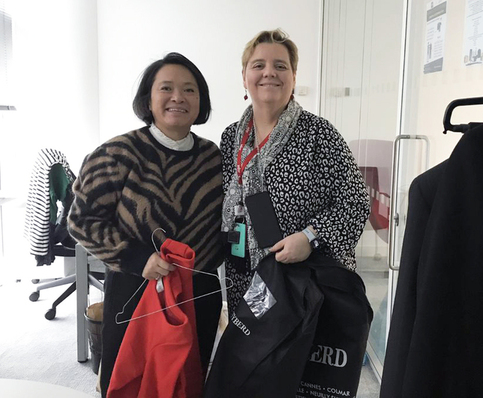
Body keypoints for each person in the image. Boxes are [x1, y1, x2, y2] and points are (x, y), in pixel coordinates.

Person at [68, 52, 223, 397]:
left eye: (189, 90)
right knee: (131, 383)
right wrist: (139, 259)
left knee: (187, 382)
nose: (178, 98)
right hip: (135, 292)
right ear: (148, 99)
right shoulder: (116, 153)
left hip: (199, 293)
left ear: (201, 101)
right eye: (166, 88)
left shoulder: (215, 158)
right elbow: (81, 221)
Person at [221, 29, 370, 313]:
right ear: (244, 77)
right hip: (246, 276)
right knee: (253, 352)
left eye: (280, 66)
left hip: (306, 283)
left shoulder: (319, 134)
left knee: (296, 355)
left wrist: (310, 238)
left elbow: (356, 204)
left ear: (293, 77)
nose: (269, 73)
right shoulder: (232, 138)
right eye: (258, 65)